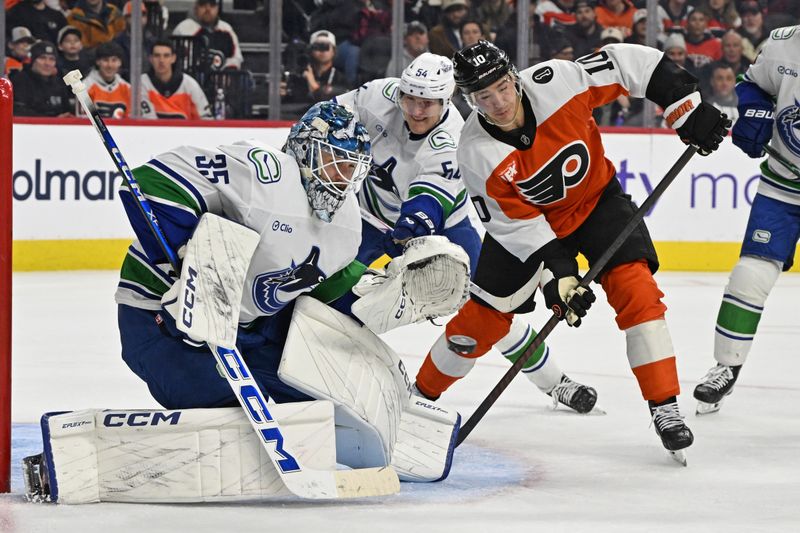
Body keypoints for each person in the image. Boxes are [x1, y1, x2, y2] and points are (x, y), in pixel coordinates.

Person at [413, 40, 731, 458]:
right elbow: (516, 225)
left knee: (636, 290)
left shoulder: (557, 82)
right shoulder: (475, 150)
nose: (499, 103)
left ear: (514, 77)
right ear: (469, 101)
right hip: (532, 231)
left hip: (596, 202)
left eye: (503, 88)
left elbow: (629, 64)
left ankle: (665, 407)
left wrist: (684, 106)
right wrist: (558, 274)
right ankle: (416, 400)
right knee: (480, 322)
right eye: (483, 97)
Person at [336, 52, 600, 413]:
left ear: (446, 101)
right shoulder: (377, 96)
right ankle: (319, 378)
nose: (416, 110)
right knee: (331, 294)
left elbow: (428, 200)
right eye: (410, 98)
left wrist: (415, 227)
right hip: (368, 216)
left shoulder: (454, 138)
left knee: (491, 310)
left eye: (427, 102)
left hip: (444, 225)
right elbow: (329, 118)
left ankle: (555, 382)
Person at [115, 101, 373, 409]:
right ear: (306, 149)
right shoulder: (264, 174)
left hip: (244, 333)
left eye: (351, 167)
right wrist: (195, 265)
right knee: (232, 405)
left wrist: (381, 294)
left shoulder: (348, 225)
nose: (343, 178)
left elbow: (326, 289)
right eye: (335, 161)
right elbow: (149, 182)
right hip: (154, 315)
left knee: (325, 400)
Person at [693, 26, 798, 414]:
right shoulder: (784, 42)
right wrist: (754, 111)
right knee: (751, 272)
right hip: (783, 184)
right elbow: (754, 85)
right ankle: (726, 366)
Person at [140, 39, 211, 120]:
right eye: (157, 56)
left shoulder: (190, 85)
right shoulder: (142, 82)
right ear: (151, 59)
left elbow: (206, 118)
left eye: (166, 56)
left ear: (173, 58)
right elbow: (147, 120)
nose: (161, 60)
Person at [282, 30, 350, 105]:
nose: (322, 51)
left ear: (333, 51)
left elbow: (339, 101)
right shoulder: (301, 75)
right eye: (317, 46)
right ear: (311, 50)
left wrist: (314, 86)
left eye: (325, 46)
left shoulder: (340, 78)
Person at [172, 0, 243, 70]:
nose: (208, 9)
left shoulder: (226, 29)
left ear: (217, 8)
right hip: (191, 76)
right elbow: (178, 62)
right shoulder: (183, 28)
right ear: (195, 8)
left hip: (220, 77)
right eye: (203, 4)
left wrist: (226, 74)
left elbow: (235, 58)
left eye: (212, 5)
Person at [12, 40, 75, 117]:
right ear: (32, 60)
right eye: (42, 58)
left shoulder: (59, 84)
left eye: (51, 59)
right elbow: (18, 112)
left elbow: (67, 111)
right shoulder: (20, 81)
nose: (47, 63)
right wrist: (53, 120)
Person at [84, 40, 132, 118]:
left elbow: (131, 122)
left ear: (120, 62)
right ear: (98, 62)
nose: (110, 65)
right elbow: (83, 122)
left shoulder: (127, 89)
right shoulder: (85, 87)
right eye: (105, 60)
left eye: (114, 60)